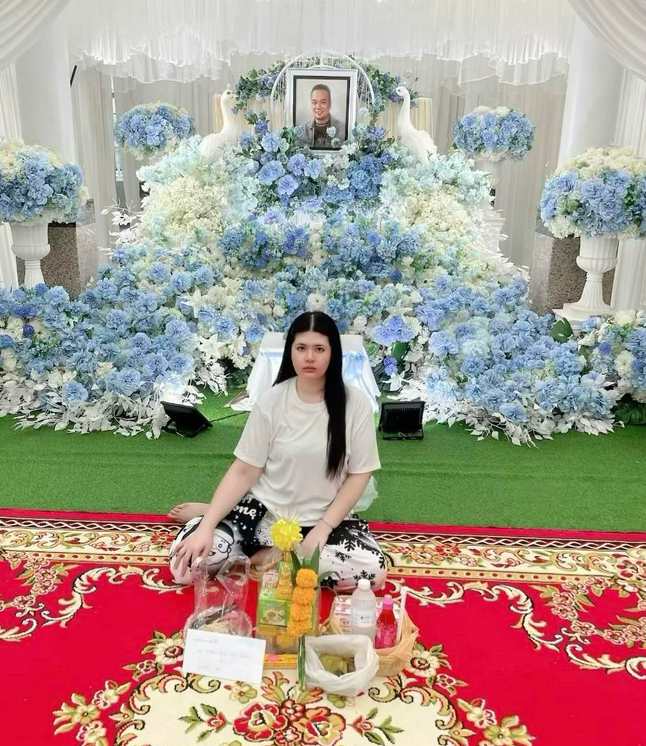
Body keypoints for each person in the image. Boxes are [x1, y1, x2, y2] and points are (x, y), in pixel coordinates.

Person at [169, 311, 386, 590]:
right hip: (262, 515)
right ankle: (216, 516)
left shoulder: (356, 404)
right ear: (290, 352)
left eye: (319, 349)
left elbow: (360, 474)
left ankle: (269, 556)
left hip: (322, 520)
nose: (310, 357)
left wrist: (322, 530)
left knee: (372, 573)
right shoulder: (271, 401)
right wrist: (207, 526)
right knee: (186, 567)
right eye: (301, 348)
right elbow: (244, 470)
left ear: (333, 353)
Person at [298, 83, 345, 149]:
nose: (318, 107)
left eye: (323, 102)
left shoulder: (343, 128)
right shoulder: (302, 130)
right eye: (314, 102)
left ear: (330, 104)